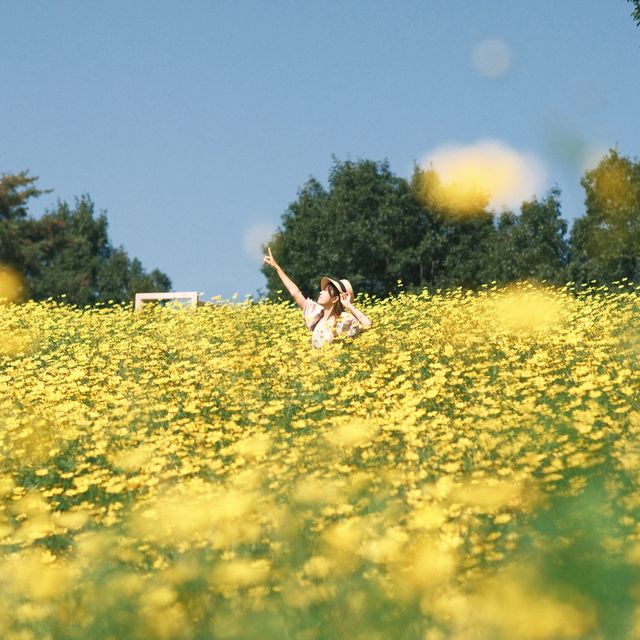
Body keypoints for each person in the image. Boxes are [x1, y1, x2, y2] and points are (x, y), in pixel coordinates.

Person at [263, 247, 372, 348]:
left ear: (335, 299)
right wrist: (277, 267)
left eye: (326, 291)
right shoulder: (316, 313)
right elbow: (295, 293)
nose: (320, 292)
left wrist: (349, 306)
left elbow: (367, 325)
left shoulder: (344, 319)